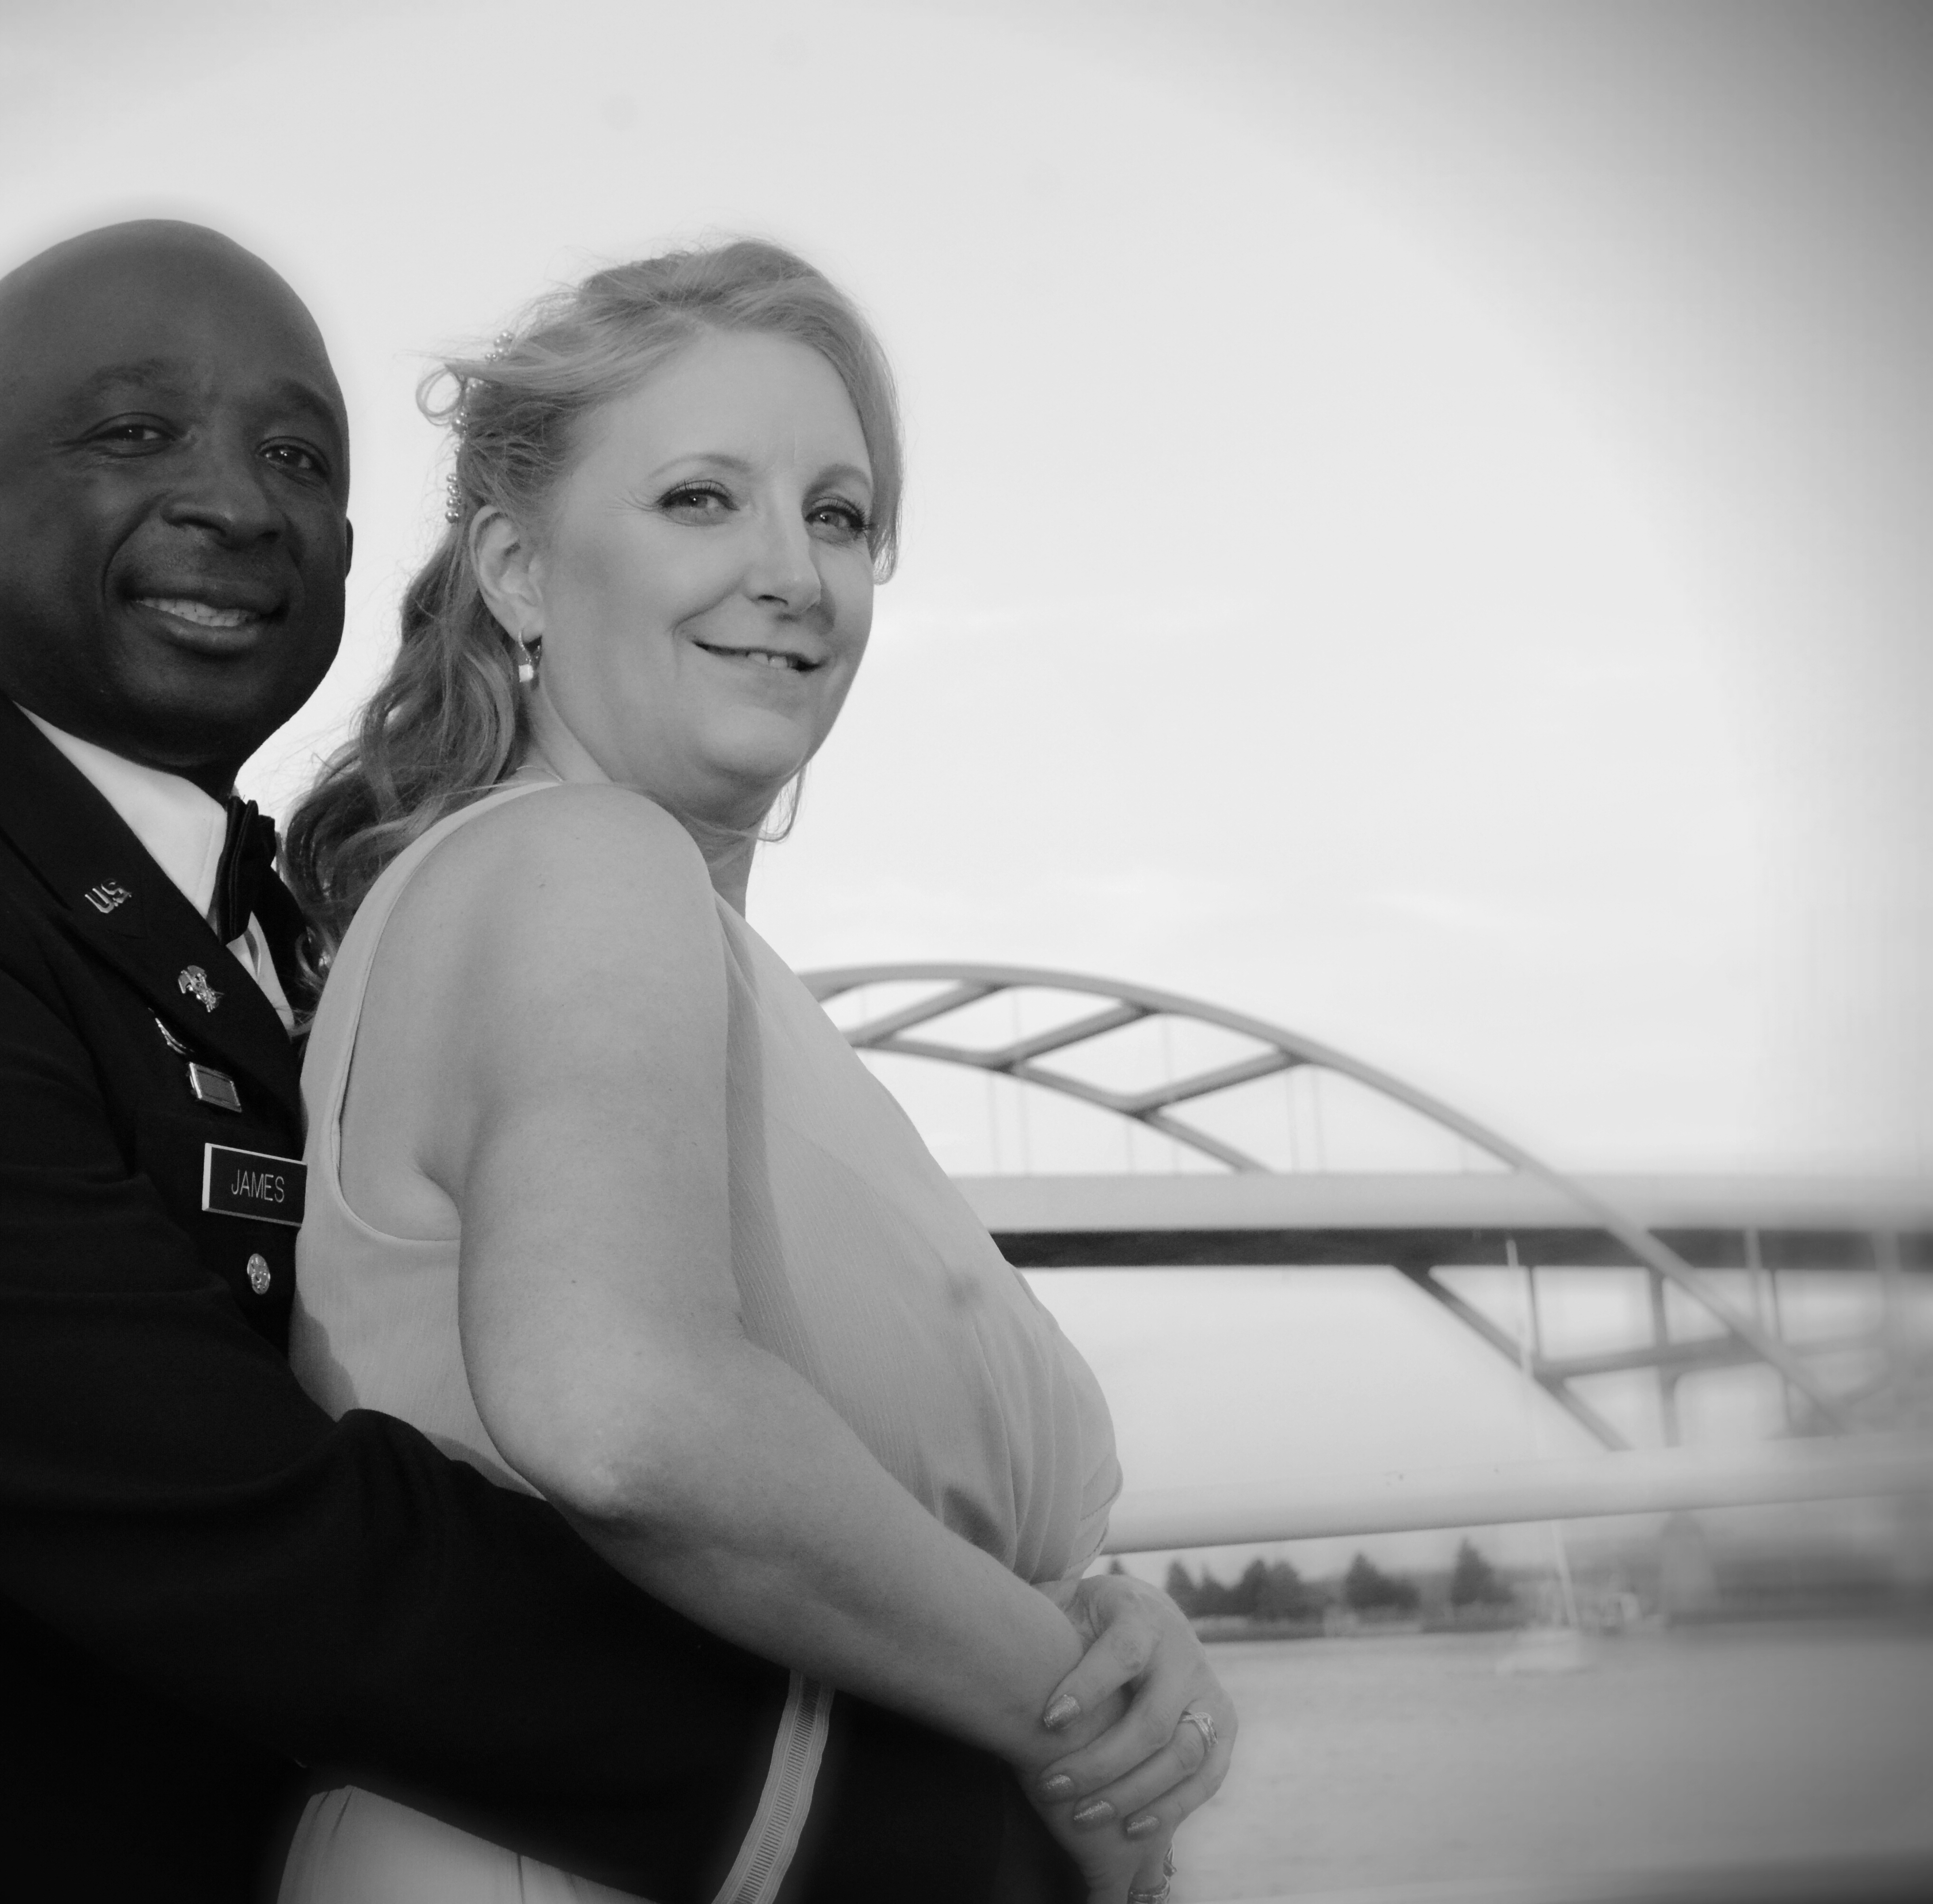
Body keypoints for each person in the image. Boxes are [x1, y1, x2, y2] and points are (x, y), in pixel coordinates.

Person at [0, 218, 1201, 1904]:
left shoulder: (290, 940)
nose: (236, 503)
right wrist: (984, 1754)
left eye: (297, 457)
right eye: (136, 434)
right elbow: (256, 1531)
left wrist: (1041, 1621)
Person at [278, 242, 1235, 1904]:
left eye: (840, 516)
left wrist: (1087, 1611)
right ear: (515, 566)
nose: (794, 572)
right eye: (703, 500)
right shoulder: (582, 863)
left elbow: (848, 1496)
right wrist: (1077, 1714)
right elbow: (625, 1411)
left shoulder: (687, 959)